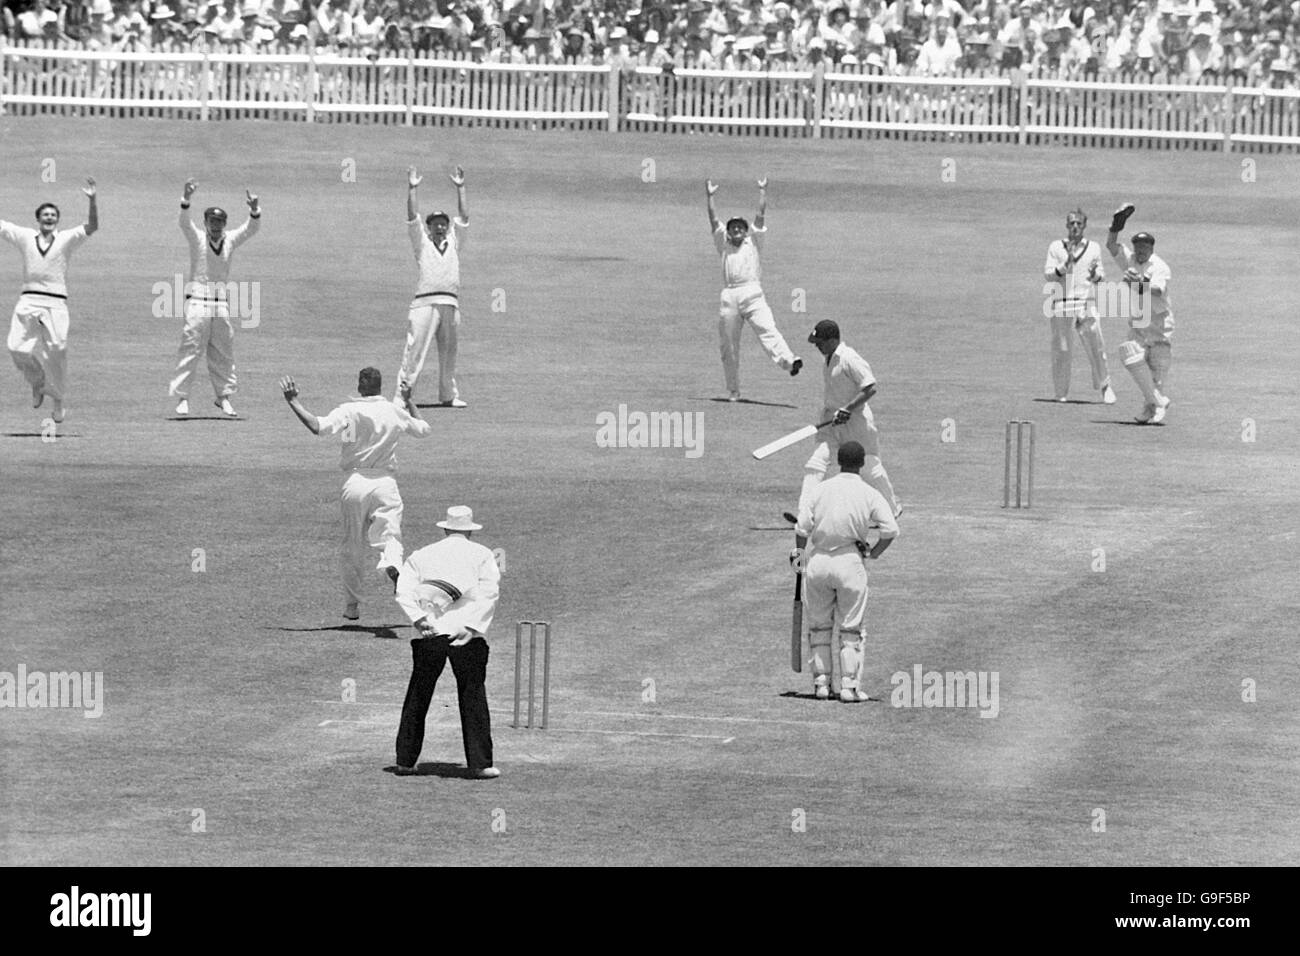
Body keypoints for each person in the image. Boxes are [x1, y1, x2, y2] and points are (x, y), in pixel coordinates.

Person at [278, 367, 431, 620]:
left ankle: (352, 606)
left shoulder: (349, 410)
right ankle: (390, 561)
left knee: (352, 545)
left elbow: (317, 426)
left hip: (355, 482)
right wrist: (409, 401)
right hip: (385, 482)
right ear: (381, 387)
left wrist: (293, 401)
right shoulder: (394, 410)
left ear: (361, 385)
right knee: (390, 534)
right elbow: (424, 429)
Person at [392, 505, 501, 779]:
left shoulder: (422, 554)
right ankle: (481, 764)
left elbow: (403, 590)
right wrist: (472, 626)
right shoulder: (482, 554)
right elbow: (489, 593)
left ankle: (405, 761)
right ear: (470, 531)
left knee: (418, 693)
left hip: (431, 633)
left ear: (445, 528)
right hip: (467, 636)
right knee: (473, 694)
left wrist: (419, 619)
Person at [794, 441, 898, 702]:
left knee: (819, 626)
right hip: (849, 562)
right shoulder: (870, 493)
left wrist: (800, 557)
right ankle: (849, 687)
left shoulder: (819, 490)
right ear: (862, 464)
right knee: (851, 628)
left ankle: (821, 683)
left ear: (838, 461)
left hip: (817, 562)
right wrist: (873, 553)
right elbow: (891, 530)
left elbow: (801, 529)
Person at [2, 179, 98, 424]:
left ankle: (58, 401)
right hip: (29, 299)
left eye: (53, 214)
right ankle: (38, 382)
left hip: (56, 302)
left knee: (57, 350)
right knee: (16, 347)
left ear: (58, 219)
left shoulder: (66, 238)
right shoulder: (25, 236)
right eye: (45, 214)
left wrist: (92, 199)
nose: (49, 217)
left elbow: (92, 226)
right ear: (38, 218)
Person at [788, 320, 901, 522]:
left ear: (833, 340)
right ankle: (805, 514)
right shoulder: (829, 358)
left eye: (820, 342)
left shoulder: (849, 358)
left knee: (869, 468)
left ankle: (891, 510)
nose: (817, 346)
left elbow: (870, 387)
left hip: (856, 422)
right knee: (815, 464)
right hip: (830, 421)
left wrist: (848, 409)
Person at [705, 178, 802, 402]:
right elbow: (712, 220)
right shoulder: (723, 244)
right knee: (728, 346)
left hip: (753, 293)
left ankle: (789, 361)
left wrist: (762, 191)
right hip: (730, 295)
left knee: (768, 329)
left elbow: (760, 216)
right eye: (733, 227)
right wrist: (710, 197)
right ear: (728, 232)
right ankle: (733, 390)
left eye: (740, 227)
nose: (736, 229)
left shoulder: (754, 242)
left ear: (745, 231)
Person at [170, 179, 260, 417]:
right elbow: (184, 224)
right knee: (191, 349)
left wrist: (253, 210)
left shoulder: (230, 240)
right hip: (197, 301)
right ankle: (182, 398)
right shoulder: (198, 238)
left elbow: (251, 229)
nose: (216, 226)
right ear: (206, 222)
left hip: (220, 304)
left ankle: (224, 397)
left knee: (223, 351)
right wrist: (186, 198)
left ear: (224, 224)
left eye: (220, 222)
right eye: (212, 221)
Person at [398, 165, 469, 409]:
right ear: (429, 227)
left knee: (449, 352)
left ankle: (448, 395)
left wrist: (461, 188)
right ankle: (402, 397)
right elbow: (411, 218)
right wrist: (412, 188)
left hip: (450, 302)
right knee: (415, 350)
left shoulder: (454, 242)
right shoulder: (422, 243)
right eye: (435, 224)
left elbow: (464, 219)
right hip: (424, 303)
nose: (439, 227)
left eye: (442, 223)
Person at [1105, 204, 1173, 424]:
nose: (1141, 251)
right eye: (1138, 247)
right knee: (1128, 353)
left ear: (1152, 248)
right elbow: (1111, 245)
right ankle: (1157, 402)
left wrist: (1137, 282)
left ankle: (1152, 408)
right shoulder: (1131, 260)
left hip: (1159, 328)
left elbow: (1156, 289)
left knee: (1157, 375)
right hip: (1138, 325)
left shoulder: (1160, 266)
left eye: (1145, 247)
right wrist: (1115, 226)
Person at [1043, 207, 1116, 404]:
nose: (1075, 226)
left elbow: (1101, 275)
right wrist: (1063, 266)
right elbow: (1048, 274)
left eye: (1079, 223)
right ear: (1067, 225)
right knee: (1062, 349)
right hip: (1061, 303)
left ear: (1084, 226)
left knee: (1096, 345)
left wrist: (1095, 275)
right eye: (1072, 223)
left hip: (1085, 302)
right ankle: (1061, 393)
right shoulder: (1056, 247)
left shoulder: (1093, 247)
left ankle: (1105, 387)